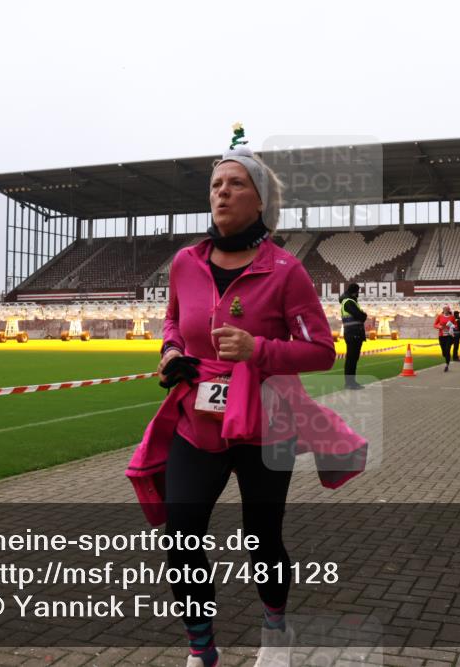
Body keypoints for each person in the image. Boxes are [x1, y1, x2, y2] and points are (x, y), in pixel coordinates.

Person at [125, 134, 367, 667]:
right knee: (182, 533)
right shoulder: (185, 263)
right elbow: (172, 322)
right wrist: (169, 354)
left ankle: (275, 629)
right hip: (197, 420)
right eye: (215, 185)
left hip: (267, 422)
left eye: (236, 184)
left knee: (262, 538)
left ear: (260, 200)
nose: (222, 193)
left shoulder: (286, 270)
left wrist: (258, 350)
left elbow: (321, 350)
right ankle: (201, 648)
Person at [339, 283, 367, 389]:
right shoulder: (349, 302)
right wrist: (363, 314)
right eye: (357, 292)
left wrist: (362, 315)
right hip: (353, 333)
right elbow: (360, 316)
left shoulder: (348, 301)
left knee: (352, 359)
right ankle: (350, 383)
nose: (358, 294)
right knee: (352, 359)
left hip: (353, 333)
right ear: (354, 292)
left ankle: (351, 382)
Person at [433, 305, 458, 371]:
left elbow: (456, 326)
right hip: (441, 336)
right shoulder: (440, 316)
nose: (446, 310)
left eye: (447, 309)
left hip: (449, 336)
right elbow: (435, 325)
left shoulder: (452, 317)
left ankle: (447, 364)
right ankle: (447, 356)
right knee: (444, 352)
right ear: (443, 310)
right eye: (444, 309)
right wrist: (440, 327)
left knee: (447, 349)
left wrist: (452, 326)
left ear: (449, 310)